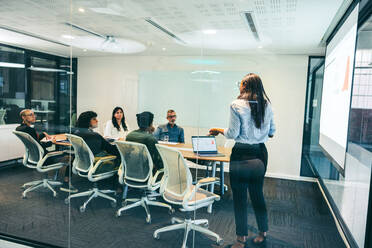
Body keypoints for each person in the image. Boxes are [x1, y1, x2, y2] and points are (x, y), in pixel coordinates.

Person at [209, 73, 275, 248]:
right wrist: (258, 133)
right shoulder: (267, 104)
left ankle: (240, 240)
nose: (239, 86)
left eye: (240, 83)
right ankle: (263, 232)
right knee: (257, 193)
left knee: (239, 198)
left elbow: (232, 134)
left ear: (245, 85)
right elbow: (272, 131)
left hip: (242, 155)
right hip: (260, 154)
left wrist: (217, 129)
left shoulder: (236, 104)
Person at [15, 109, 76, 193]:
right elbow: (39, 145)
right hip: (45, 158)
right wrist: (52, 142)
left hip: (33, 157)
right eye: (30, 115)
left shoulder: (20, 128)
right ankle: (66, 183)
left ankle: (56, 178)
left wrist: (43, 134)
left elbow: (35, 142)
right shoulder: (30, 130)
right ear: (23, 117)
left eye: (33, 114)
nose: (34, 116)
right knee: (70, 157)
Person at [74, 111, 121, 191]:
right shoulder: (94, 136)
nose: (97, 121)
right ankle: (117, 188)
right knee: (119, 157)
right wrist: (122, 148)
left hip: (83, 164)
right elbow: (111, 149)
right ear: (87, 121)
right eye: (94, 119)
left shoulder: (77, 133)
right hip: (96, 165)